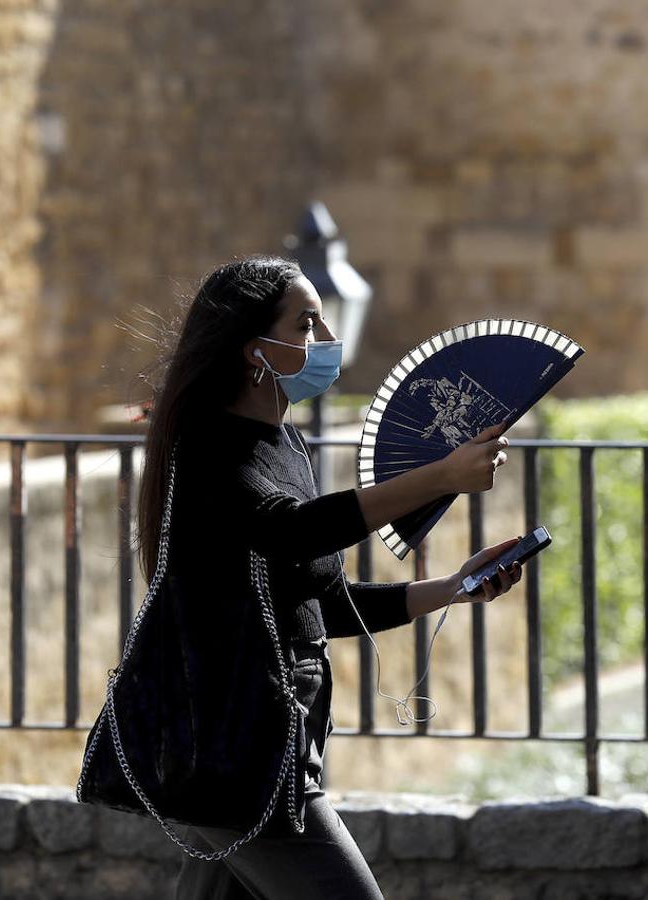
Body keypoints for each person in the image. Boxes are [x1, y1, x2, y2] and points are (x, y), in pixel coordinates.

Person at [133, 256, 524, 899]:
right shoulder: (206, 445)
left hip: (269, 743)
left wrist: (453, 587)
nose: (323, 340)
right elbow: (291, 530)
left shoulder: (282, 447)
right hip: (241, 755)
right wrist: (442, 477)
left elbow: (321, 605)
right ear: (252, 349)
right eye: (307, 323)